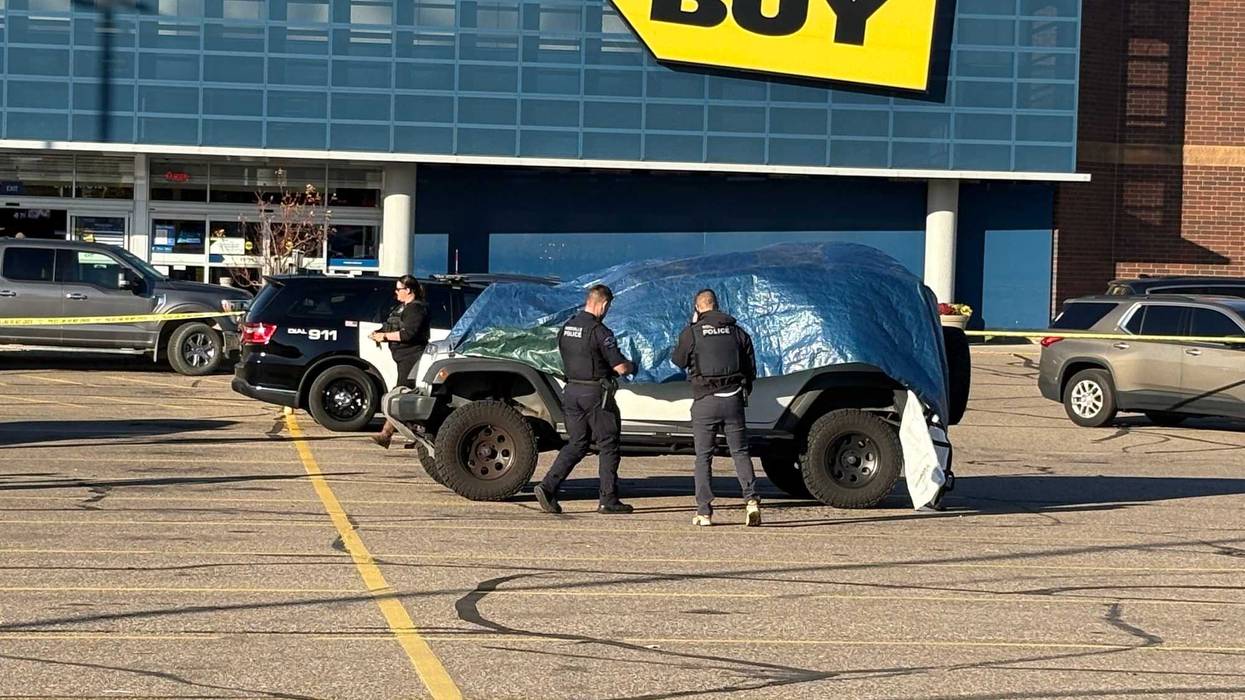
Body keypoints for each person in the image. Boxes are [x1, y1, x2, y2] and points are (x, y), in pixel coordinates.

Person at [533, 284, 635, 515]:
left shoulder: (567, 327)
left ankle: (548, 487)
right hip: (595, 395)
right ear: (604, 304)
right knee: (608, 445)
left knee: (577, 443)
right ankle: (608, 499)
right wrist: (632, 365)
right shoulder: (600, 332)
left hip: (571, 392)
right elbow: (619, 367)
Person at [672, 288, 761, 527]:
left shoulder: (693, 333)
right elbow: (751, 370)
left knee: (703, 457)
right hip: (733, 399)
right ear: (717, 305)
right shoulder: (737, 332)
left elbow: (678, 360)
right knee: (740, 453)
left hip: (705, 401)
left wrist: (692, 326)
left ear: (698, 308)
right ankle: (751, 501)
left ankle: (704, 512)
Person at [368, 275, 430, 449]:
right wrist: (378, 333)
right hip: (402, 358)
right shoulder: (403, 308)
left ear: (408, 290)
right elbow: (392, 326)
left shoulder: (416, 309)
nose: (396, 293)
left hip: (412, 358)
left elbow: (409, 334)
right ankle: (400, 435)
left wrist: (385, 336)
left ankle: (386, 434)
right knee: (403, 395)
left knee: (401, 395)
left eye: (398, 289)